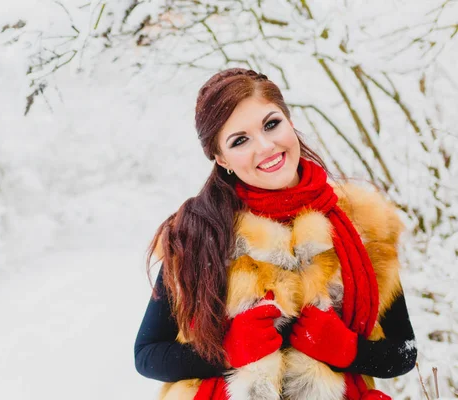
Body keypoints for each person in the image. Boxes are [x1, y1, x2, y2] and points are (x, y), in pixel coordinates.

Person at [134, 68, 417, 400]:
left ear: (289, 120)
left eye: (271, 124)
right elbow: (148, 355)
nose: (266, 147)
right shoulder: (197, 234)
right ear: (221, 158)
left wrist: (347, 350)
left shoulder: (365, 225)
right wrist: (226, 352)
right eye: (240, 140)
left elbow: (404, 352)